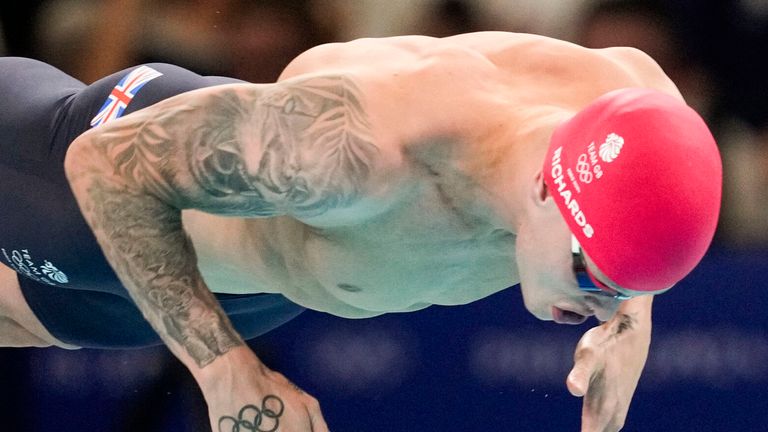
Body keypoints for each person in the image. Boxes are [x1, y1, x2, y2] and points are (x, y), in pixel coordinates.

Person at [0, 31, 721, 432]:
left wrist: (632, 316)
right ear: (543, 188)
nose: (600, 304)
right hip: (106, 198)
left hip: (262, 284)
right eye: (594, 276)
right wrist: (226, 370)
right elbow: (104, 170)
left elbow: (634, 189)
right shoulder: (366, 147)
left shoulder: (643, 103)